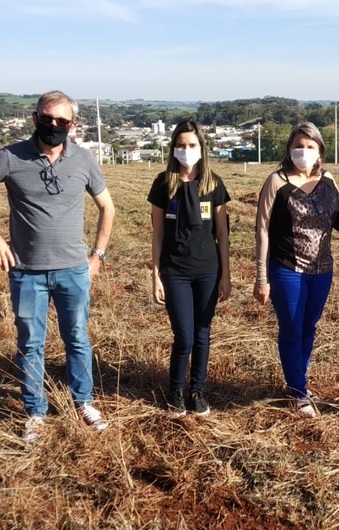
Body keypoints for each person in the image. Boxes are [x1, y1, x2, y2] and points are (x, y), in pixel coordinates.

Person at [0, 90, 115, 443]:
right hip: (27, 272)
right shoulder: (10, 157)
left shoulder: (83, 159)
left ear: (72, 125)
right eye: (46, 118)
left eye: (61, 121)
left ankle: (83, 402)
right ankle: (35, 412)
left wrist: (97, 256)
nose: (53, 125)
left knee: (78, 339)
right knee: (30, 344)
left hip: (73, 271)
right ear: (34, 118)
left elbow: (108, 208)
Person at [254, 122, 339, 418]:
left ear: (320, 151)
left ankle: (299, 382)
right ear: (289, 149)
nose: (304, 151)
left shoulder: (328, 180)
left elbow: (337, 224)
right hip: (288, 269)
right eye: (298, 146)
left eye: (310, 147)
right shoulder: (277, 182)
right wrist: (261, 277)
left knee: (309, 328)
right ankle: (298, 392)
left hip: (322, 270)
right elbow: (262, 230)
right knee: (291, 329)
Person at [148, 120, 231, 417]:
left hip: (208, 270)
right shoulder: (163, 184)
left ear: (201, 148)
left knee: (202, 334)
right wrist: (155, 275)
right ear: (173, 148)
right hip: (175, 272)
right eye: (180, 145)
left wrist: (226, 275)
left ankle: (197, 390)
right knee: (183, 336)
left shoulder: (214, 184)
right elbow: (157, 233)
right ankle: (175, 390)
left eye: (192, 145)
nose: (186, 150)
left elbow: (222, 234)